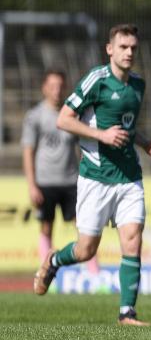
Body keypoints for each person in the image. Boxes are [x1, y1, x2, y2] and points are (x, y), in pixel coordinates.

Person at [33, 24, 151, 327]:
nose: (129, 52)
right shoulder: (97, 80)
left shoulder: (137, 86)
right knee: (85, 249)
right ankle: (53, 260)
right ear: (110, 49)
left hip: (129, 178)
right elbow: (64, 120)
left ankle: (126, 313)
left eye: (133, 47)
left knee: (132, 241)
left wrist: (144, 143)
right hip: (95, 178)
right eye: (123, 47)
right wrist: (100, 135)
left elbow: (127, 128)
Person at [22, 69, 99, 276]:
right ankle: (46, 273)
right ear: (44, 88)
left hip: (72, 181)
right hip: (45, 182)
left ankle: (94, 276)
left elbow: (84, 145)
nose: (56, 91)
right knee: (46, 227)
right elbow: (28, 151)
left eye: (60, 86)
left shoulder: (73, 114)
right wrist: (32, 184)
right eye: (52, 86)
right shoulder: (35, 116)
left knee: (85, 228)